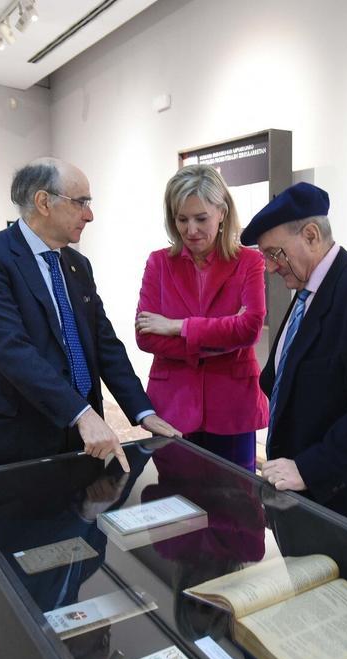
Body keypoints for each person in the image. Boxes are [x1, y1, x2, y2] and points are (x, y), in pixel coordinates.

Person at [0, 157, 180, 474]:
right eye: (81, 202)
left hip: (76, 437)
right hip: (12, 439)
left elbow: (104, 344)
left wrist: (142, 410)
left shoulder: (76, 265)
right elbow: (10, 349)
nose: (90, 215)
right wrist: (81, 413)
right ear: (44, 202)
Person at [240, 182, 347, 542]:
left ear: (311, 234)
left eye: (276, 254)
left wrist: (307, 468)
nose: (271, 268)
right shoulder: (307, 291)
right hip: (308, 504)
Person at [134, 165, 268, 471]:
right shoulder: (159, 263)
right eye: (182, 219)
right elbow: (146, 336)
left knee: (236, 504)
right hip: (174, 404)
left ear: (221, 212)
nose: (191, 230)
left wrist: (177, 327)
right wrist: (222, 338)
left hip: (233, 404)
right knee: (178, 503)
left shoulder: (249, 261)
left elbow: (249, 329)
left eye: (201, 218)